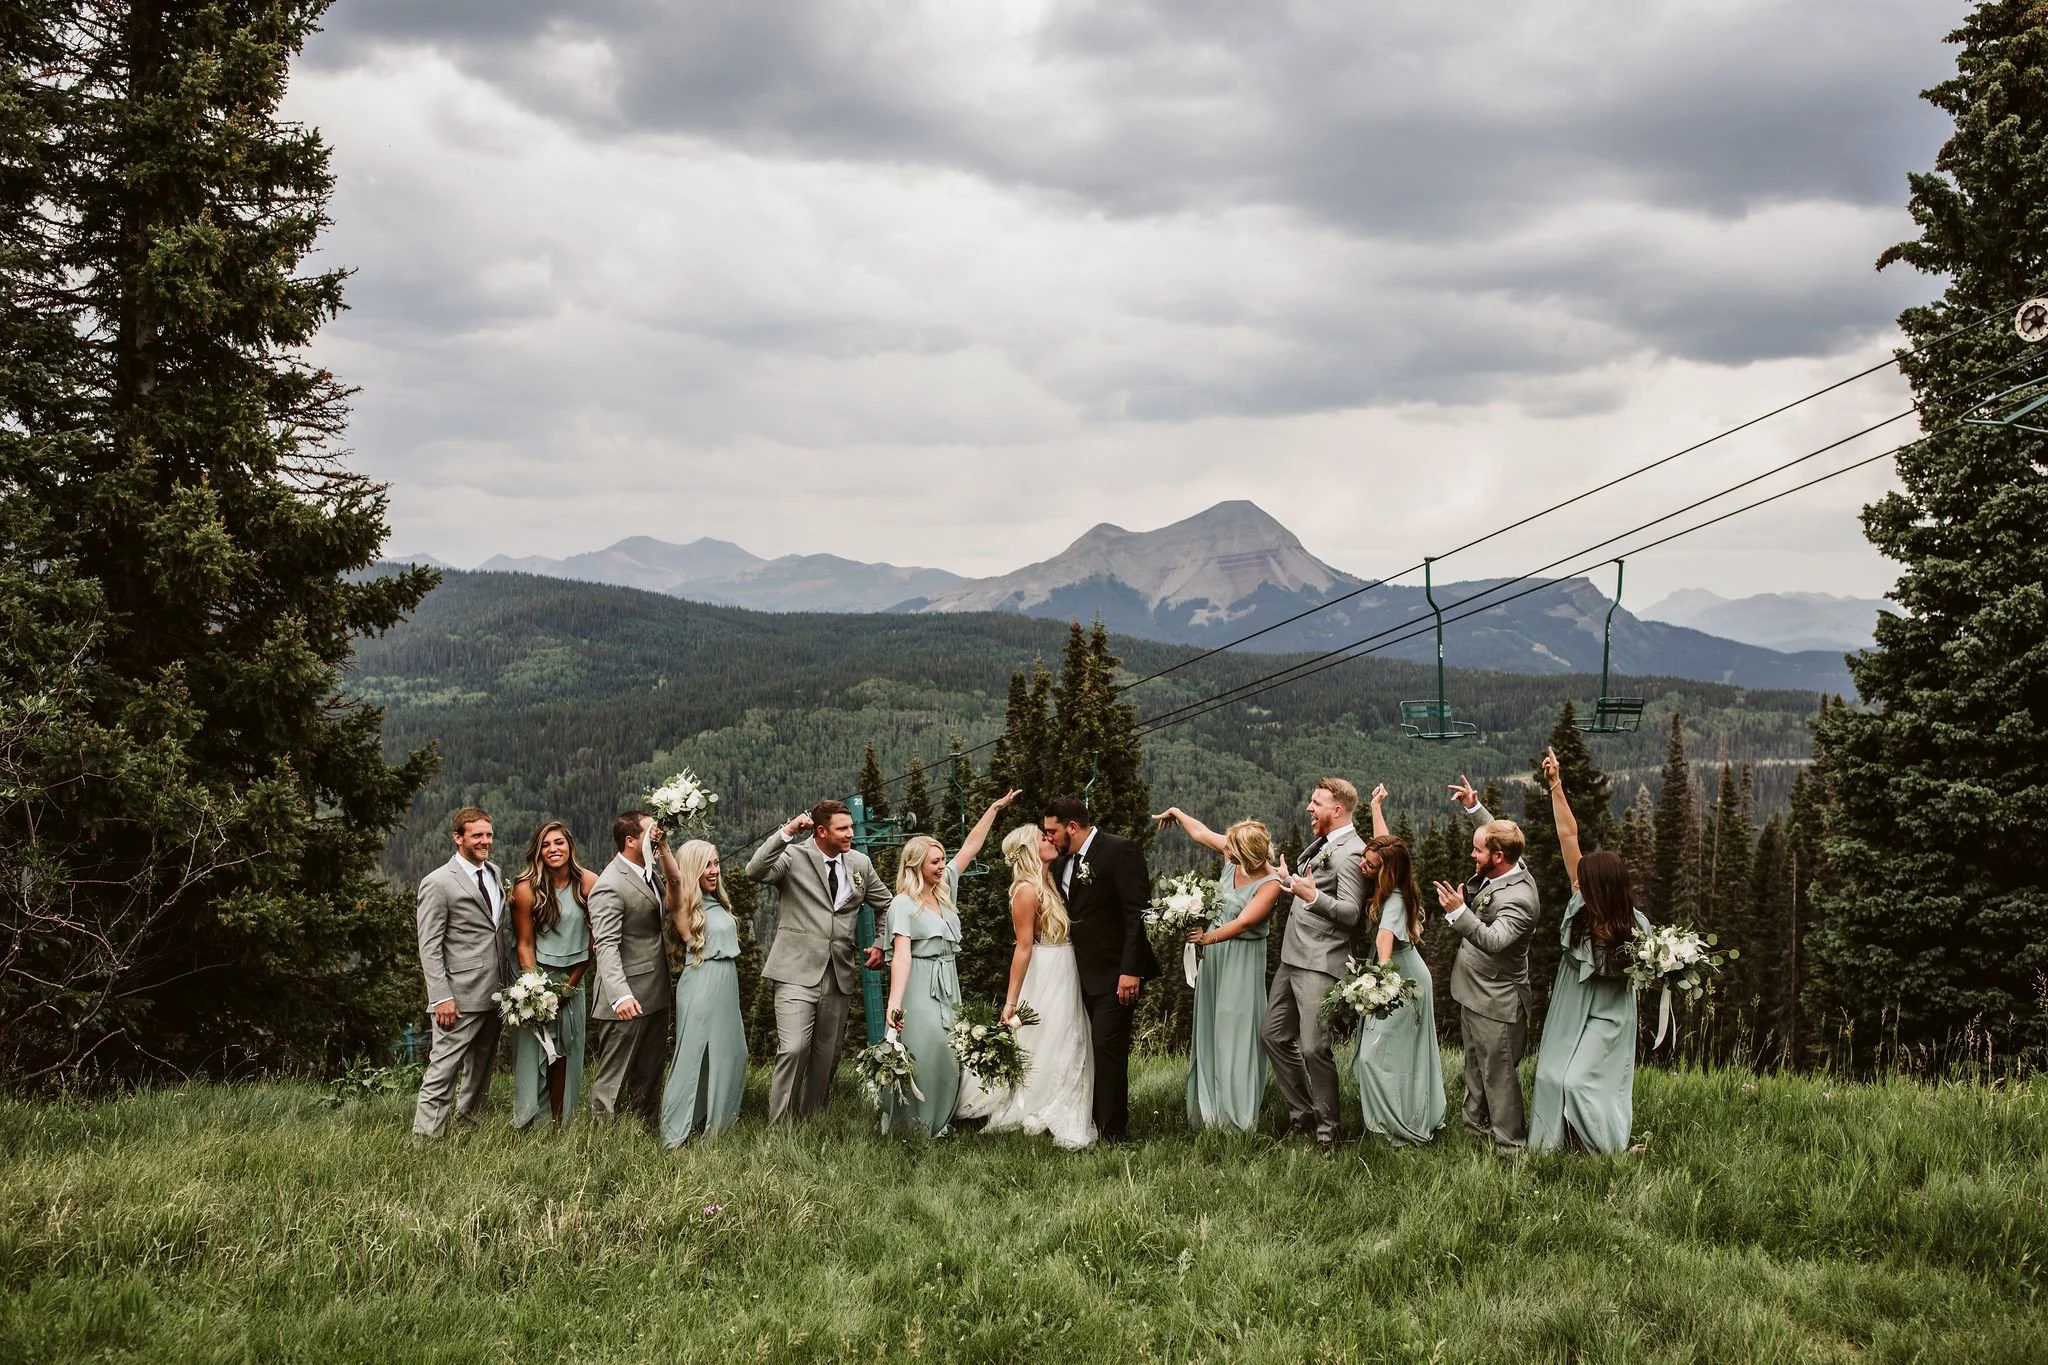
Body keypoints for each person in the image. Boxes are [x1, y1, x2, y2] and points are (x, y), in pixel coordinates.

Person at [1527, 747, 1650, 1154]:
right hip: (1572, 1000)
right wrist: (1555, 784)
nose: (1576, 879)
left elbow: (1651, 969)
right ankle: (1558, 1148)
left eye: (1585, 878)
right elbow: (1568, 835)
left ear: (1602, 887)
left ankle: (1605, 1148)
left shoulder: (1637, 926)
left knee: (1580, 1081)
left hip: (1611, 1012)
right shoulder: (1581, 902)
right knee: (1550, 1076)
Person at [879, 792, 1018, 1137]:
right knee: (924, 1049)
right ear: (915, 866)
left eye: (942, 860)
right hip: (919, 982)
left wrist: (994, 809)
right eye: (934, 863)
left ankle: (942, 1120)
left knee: (951, 1050)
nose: (942, 866)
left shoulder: (945, 889)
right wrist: (895, 1005)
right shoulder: (902, 904)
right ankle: (913, 1125)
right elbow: (902, 956)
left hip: (948, 980)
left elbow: (970, 847)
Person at [747, 799, 894, 1122]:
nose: (850, 834)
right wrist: (786, 831)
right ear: (822, 831)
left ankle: (812, 1122)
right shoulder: (794, 856)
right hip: (795, 971)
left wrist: (881, 944)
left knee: (826, 1056)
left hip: (839, 973)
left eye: (851, 827)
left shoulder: (860, 864)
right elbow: (754, 870)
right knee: (794, 1047)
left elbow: (887, 905)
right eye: (843, 829)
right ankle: (779, 1128)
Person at [1155, 809, 1283, 1134]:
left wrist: (1206, 937)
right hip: (1214, 962)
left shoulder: (1271, 884)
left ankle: (1237, 1118)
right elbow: (1200, 833)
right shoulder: (1234, 859)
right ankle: (1208, 1113)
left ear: (1248, 854)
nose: (1225, 851)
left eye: (1231, 849)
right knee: (1212, 1029)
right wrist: (1177, 813)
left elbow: (1244, 922)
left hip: (1241, 962)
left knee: (1236, 1033)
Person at [1434, 776, 1541, 1155]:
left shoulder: (1522, 899)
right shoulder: (1509, 859)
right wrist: (1474, 808)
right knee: (1475, 1068)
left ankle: (1511, 1148)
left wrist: (1458, 912)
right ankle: (1474, 1134)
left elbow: (1495, 942)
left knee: (1499, 1077)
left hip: (1497, 1003)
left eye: (1477, 851)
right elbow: (1498, 835)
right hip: (1473, 992)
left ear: (1497, 858)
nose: (1472, 856)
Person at [1043, 796, 1160, 1144]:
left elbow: (1136, 914)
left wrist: (1130, 971)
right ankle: (1088, 1122)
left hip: (1115, 975)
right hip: (1077, 976)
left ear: (1073, 827)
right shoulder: (1062, 862)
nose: (1049, 837)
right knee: (1085, 1051)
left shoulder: (1119, 851)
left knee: (1107, 1051)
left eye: (1053, 831)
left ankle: (1113, 1134)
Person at [1262, 777, 1368, 1152]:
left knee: (1313, 1048)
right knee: (1274, 1035)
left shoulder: (1352, 852)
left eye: (1316, 802)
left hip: (1321, 961)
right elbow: (1312, 884)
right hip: (1292, 956)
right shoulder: (1325, 844)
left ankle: (1329, 1131)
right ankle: (1302, 1115)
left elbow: (1352, 913)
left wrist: (1311, 896)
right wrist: (1290, 881)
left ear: (1337, 810)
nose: (1309, 808)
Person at [981, 823, 1096, 1149]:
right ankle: (1041, 1103)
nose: (1049, 839)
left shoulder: (1049, 879)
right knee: (1049, 1037)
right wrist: (1011, 1001)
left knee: (1066, 1037)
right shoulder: (1027, 890)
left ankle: (1063, 1097)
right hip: (1046, 971)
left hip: (1065, 967)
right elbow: (1023, 947)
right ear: (1028, 850)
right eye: (1040, 837)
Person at [1350, 798, 1445, 1147]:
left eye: (1370, 864)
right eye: (1364, 858)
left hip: (1402, 980)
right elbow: (1385, 845)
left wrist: (1380, 983)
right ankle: (1397, 1118)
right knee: (1389, 1054)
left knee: (1377, 1056)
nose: (1363, 865)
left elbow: (1385, 938)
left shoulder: (1395, 900)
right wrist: (1376, 809)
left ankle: (1399, 1126)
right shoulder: (1392, 874)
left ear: (1386, 871)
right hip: (1401, 975)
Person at [412, 806, 510, 1139]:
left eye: (489, 835)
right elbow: (429, 946)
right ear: (458, 838)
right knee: (443, 1070)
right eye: (477, 835)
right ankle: (425, 1141)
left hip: (495, 993)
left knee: (480, 1071)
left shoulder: (494, 873)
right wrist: (441, 997)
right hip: (458, 996)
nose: (485, 841)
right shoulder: (438, 883)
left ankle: (469, 1133)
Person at [659, 839, 749, 1147]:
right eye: (706, 865)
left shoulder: (717, 903)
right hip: (701, 985)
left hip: (726, 985)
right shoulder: (682, 903)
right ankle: (675, 1134)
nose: (714, 870)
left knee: (731, 1054)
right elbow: (674, 877)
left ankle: (716, 1128)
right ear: (692, 869)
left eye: (716, 863)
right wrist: (664, 848)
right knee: (692, 1056)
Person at [508, 821, 598, 1128]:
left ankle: (563, 1122)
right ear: (538, 851)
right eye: (546, 845)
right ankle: (530, 1120)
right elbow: (524, 942)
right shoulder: (525, 889)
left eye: (558, 842)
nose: (553, 849)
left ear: (570, 846)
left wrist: (567, 989)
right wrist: (536, 991)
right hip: (536, 980)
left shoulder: (588, 883)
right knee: (535, 1052)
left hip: (573, 978)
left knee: (567, 1052)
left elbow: (592, 944)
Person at [588, 811, 675, 1126]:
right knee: (613, 1075)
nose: (657, 834)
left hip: (656, 989)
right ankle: (601, 1139)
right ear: (630, 840)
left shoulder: (649, 872)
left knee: (650, 1069)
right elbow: (606, 945)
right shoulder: (609, 884)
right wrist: (620, 995)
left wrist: (663, 847)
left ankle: (645, 1130)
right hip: (626, 997)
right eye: (651, 831)